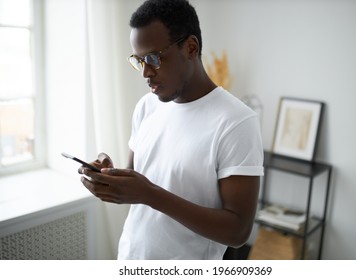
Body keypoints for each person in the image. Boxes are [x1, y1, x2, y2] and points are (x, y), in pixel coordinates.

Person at [79, 0, 264, 260]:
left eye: (153, 58)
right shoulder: (146, 106)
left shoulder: (236, 122)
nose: (145, 72)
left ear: (190, 47)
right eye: (139, 60)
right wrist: (111, 175)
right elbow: (138, 180)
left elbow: (237, 231)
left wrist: (150, 194)